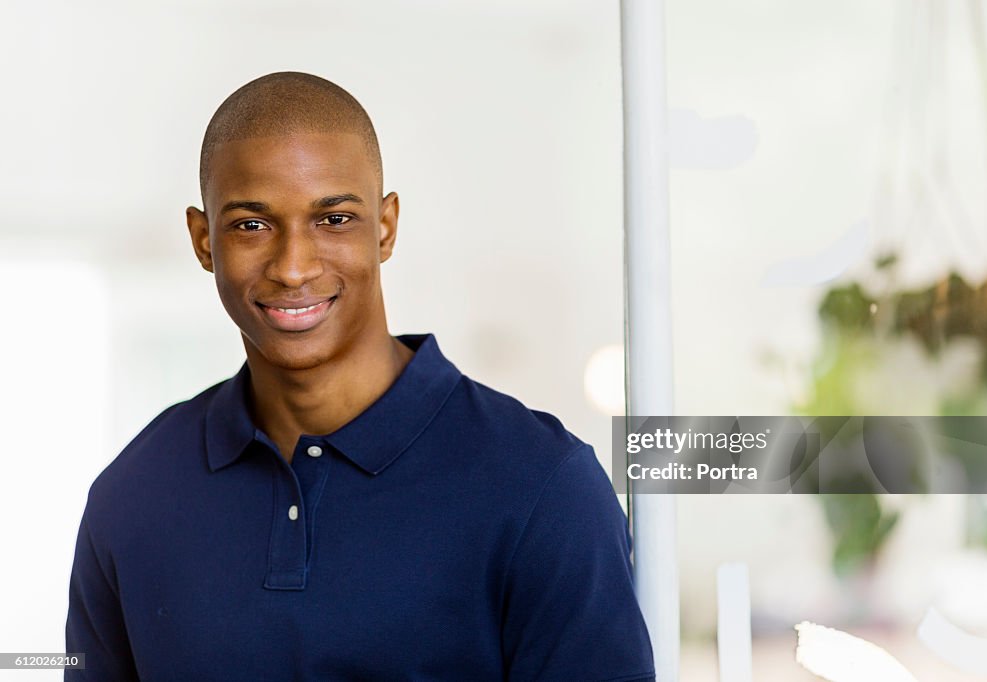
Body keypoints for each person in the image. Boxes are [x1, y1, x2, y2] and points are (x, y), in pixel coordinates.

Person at [65, 71, 655, 681]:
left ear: (386, 226)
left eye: (335, 219)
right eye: (250, 224)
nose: (293, 267)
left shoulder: (543, 487)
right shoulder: (130, 495)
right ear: (203, 239)